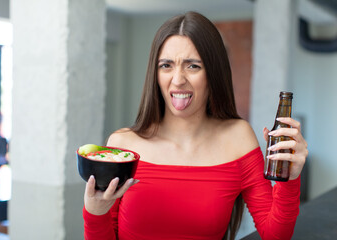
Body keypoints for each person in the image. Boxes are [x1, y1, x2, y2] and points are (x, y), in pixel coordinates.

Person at [83, 11, 308, 240]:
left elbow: (275, 235)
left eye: (193, 66)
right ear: (155, 73)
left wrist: (290, 179)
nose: (178, 79)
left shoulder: (238, 138)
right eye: (166, 65)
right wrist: (94, 213)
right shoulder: (122, 145)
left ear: (213, 73)